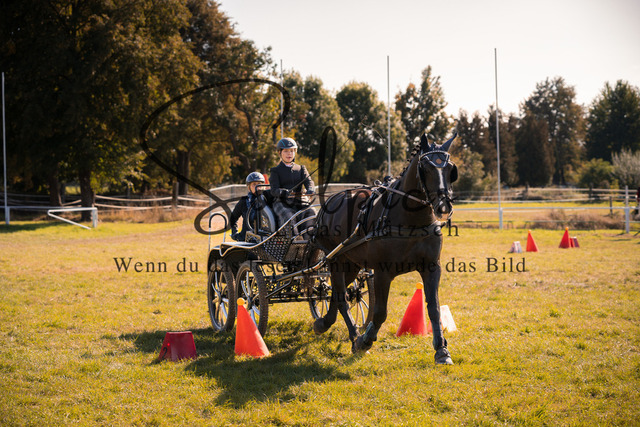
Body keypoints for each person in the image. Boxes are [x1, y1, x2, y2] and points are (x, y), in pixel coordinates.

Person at [269, 137, 315, 231]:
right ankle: (293, 238)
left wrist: (310, 189)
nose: (289, 153)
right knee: (289, 216)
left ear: (295, 152)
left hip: (299, 202)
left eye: (292, 151)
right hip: (281, 203)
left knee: (311, 212)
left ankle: (309, 237)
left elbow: (309, 182)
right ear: (280, 152)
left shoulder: (301, 169)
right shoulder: (275, 171)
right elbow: (274, 190)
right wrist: (283, 192)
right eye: (286, 151)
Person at [229, 172, 269, 241]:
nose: (257, 187)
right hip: (246, 240)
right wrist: (234, 233)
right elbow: (233, 218)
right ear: (249, 187)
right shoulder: (244, 201)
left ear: (264, 186)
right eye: (254, 184)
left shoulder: (269, 200)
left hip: (266, 239)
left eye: (259, 183)